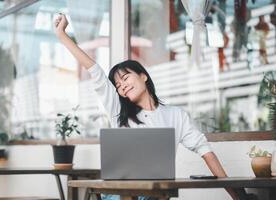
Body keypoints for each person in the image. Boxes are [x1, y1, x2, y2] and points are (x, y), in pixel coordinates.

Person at [54, 14, 245, 200]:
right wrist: (62, 35)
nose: (122, 86)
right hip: (119, 194)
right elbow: (94, 71)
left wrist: (236, 196)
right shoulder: (118, 110)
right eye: (118, 86)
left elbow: (206, 151)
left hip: (156, 194)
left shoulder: (175, 115)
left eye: (125, 78)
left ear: (143, 76)